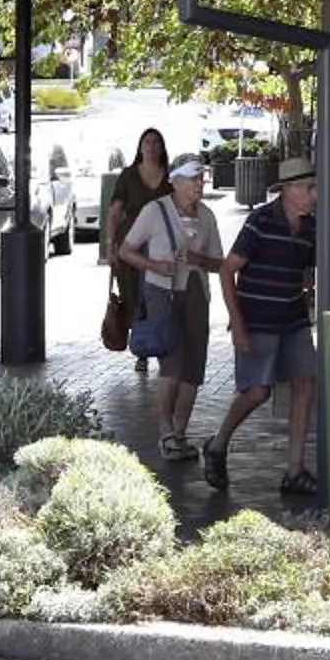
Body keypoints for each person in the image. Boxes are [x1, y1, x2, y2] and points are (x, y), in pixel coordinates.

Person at [209, 155, 320, 497]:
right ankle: (218, 442)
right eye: (308, 188)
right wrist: (237, 322)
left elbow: (312, 268)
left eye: (314, 188)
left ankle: (295, 471)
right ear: (287, 190)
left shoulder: (310, 227)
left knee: (305, 384)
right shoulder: (260, 220)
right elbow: (228, 269)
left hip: (294, 318)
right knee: (258, 391)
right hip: (258, 319)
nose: (314, 195)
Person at [116, 155, 225, 461]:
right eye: (193, 179)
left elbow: (219, 262)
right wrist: (154, 264)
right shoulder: (155, 210)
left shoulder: (207, 216)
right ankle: (165, 432)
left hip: (196, 292)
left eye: (201, 178)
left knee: (193, 366)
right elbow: (125, 250)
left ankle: (180, 432)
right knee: (173, 362)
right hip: (161, 292)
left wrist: (198, 259)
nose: (199, 184)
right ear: (175, 182)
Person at [103, 127, 173, 374]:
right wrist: (111, 246)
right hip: (130, 247)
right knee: (134, 298)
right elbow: (114, 212)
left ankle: (161, 343)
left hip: (161, 249)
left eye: (156, 142)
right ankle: (141, 348)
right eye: (147, 142)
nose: (151, 147)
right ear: (140, 147)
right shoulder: (128, 176)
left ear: (162, 147)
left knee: (157, 297)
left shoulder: (170, 177)